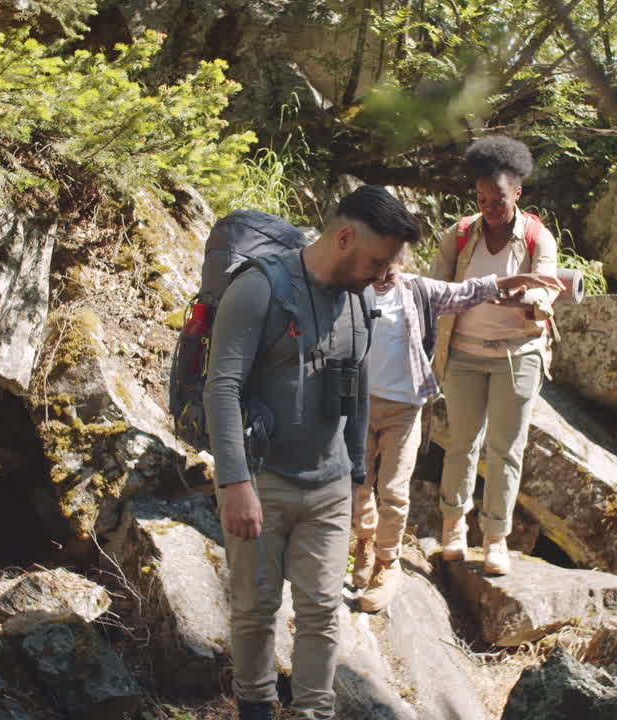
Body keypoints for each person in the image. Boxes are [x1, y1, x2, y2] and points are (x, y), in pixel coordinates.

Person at [204, 185, 420, 720]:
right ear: (344, 237)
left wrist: (354, 476)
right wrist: (236, 484)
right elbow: (222, 387)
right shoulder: (260, 289)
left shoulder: (362, 298)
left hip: (328, 483)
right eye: (376, 261)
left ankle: (311, 713)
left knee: (323, 611)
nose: (380, 276)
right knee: (255, 610)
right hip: (261, 478)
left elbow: (358, 388)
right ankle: (254, 707)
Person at [351, 259, 562, 611]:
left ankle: (387, 564)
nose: (383, 270)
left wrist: (509, 281)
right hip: (360, 405)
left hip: (404, 409)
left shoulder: (419, 290)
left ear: (402, 259)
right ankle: (365, 541)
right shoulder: (352, 288)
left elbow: (467, 292)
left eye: (392, 262)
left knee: (392, 490)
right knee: (359, 484)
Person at [429, 136, 559, 576]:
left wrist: (528, 298)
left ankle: (496, 539)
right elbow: (435, 288)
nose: (489, 207)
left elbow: (546, 289)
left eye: (498, 200)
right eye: (482, 198)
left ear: (517, 193)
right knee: (461, 444)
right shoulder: (462, 233)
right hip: (463, 354)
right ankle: (453, 528)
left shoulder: (538, 237)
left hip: (517, 356)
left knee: (506, 449)